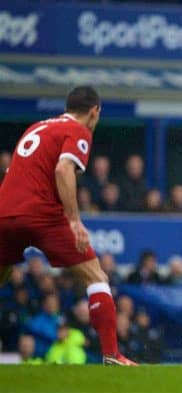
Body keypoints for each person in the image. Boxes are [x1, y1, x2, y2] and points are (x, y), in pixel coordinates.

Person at [0, 86, 137, 366]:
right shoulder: (78, 131)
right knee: (96, 276)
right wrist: (74, 220)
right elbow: (63, 169)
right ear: (94, 111)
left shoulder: (37, 127)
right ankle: (112, 354)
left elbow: (13, 171)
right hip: (43, 215)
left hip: (5, 212)